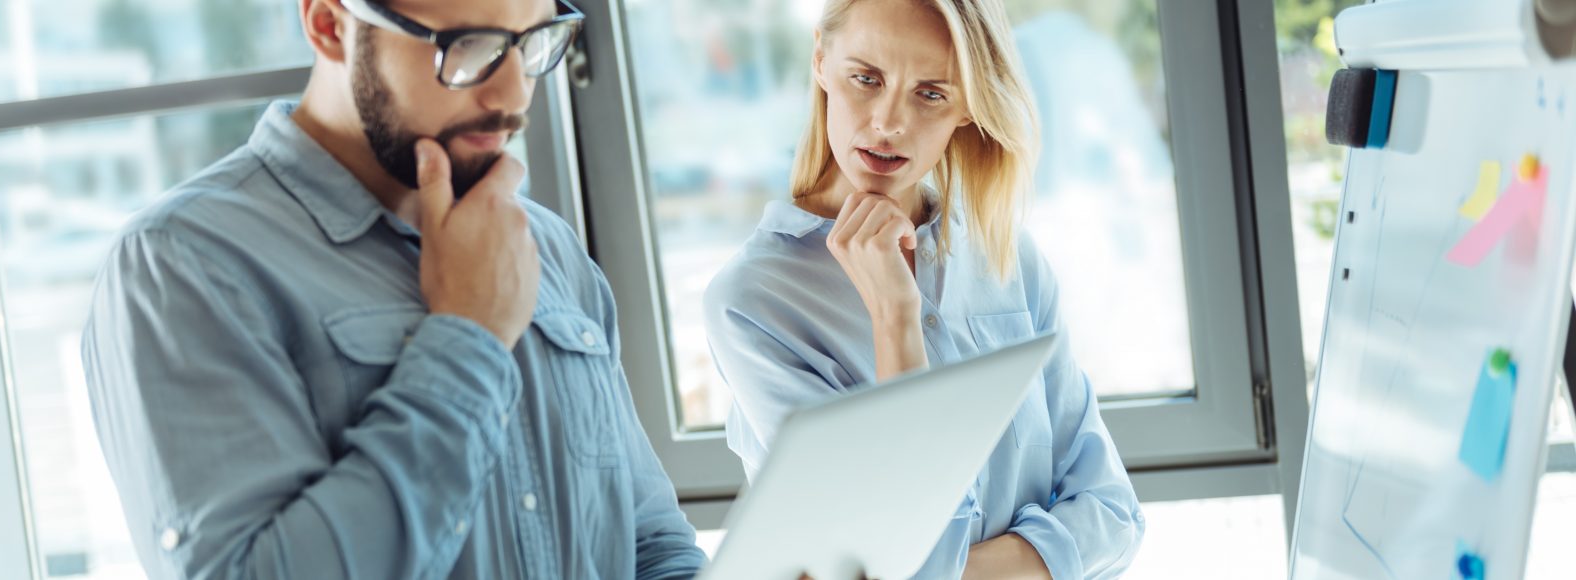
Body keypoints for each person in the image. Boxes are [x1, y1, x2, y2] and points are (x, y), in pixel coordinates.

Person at [80, 1, 704, 578]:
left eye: (535, 42)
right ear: (329, 24)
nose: (514, 94)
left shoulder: (546, 245)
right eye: (470, 46)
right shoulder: (183, 265)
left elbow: (648, 543)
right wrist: (472, 337)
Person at [702, 0, 1145, 578]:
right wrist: (894, 318)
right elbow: (893, 561)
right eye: (866, 78)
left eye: (930, 93)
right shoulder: (752, 305)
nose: (889, 123)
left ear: (967, 106)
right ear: (820, 61)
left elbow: (1114, 517)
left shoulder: (1008, 257)